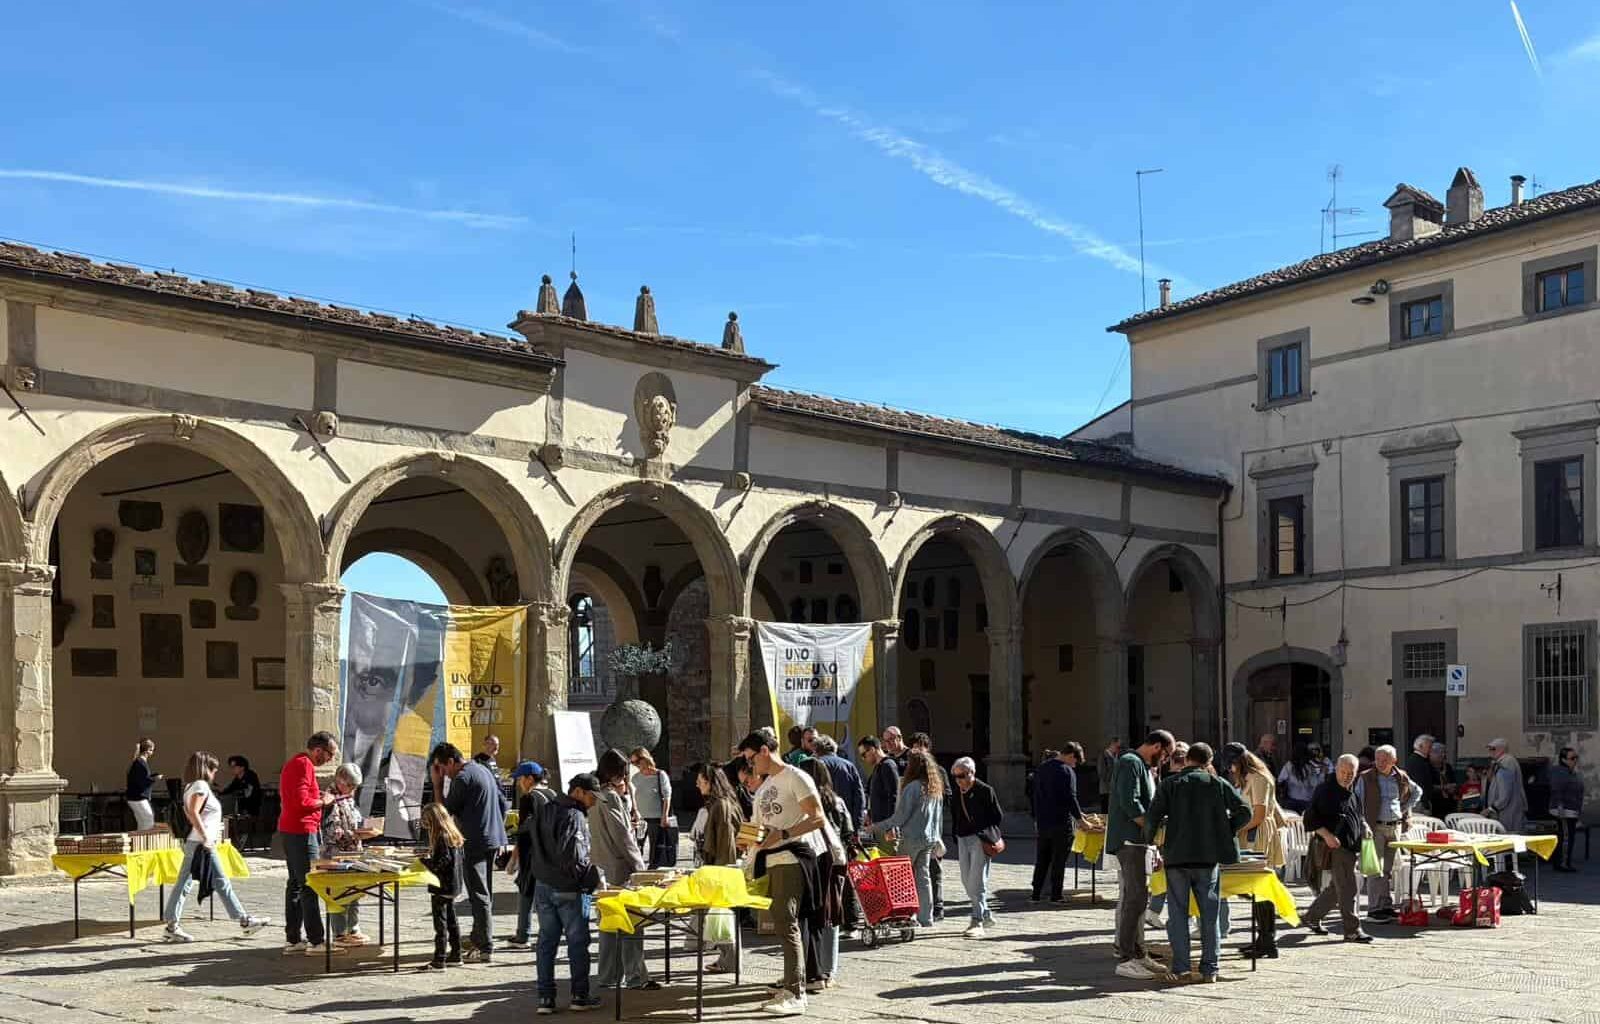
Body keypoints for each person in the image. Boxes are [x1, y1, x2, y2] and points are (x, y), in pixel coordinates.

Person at [738, 729, 828, 1016]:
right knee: (780, 921)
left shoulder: (795, 777)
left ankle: (795, 992)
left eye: (752, 758)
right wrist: (747, 839)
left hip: (792, 857)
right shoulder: (766, 786)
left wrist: (784, 833)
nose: (751, 764)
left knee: (787, 921)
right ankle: (791, 982)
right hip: (771, 859)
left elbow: (818, 818)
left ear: (765, 751)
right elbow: (759, 826)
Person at [1145, 742, 1252, 983]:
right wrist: (1226, 830)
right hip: (1207, 856)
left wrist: (1150, 842)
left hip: (1177, 856)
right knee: (1210, 915)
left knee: (1178, 914)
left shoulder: (1170, 784)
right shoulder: (1217, 783)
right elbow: (1245, 811)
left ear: (1187, 759)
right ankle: (1210, 969)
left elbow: (1152, 817)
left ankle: (1181, 967)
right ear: (1208, 762)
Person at [162, 751, 270, 942]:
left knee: (200, 883)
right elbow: (193, 812)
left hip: (195, 842)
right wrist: (206, 837)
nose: (215, 773)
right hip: (201, 844)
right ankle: (244, 921)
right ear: (206, 769)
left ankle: (243, 921)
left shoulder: (190, 787)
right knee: (211, 882)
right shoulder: (201, 786)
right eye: (214, 769)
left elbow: (189, 813)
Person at [527, 772, 604, 1012]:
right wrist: (592, 878)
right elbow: (575, 857)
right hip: (570, 888)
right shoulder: (574, 815)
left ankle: (545, 998)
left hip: (544, 883)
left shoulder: (546, 809)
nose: (594, 802)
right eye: (592, 796)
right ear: (578, 792)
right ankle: (579, 995)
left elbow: (532, 843)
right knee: (578, 943)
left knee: (546, 943)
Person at [430, 742, 509, 963]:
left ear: (451, 761)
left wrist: (437, 785)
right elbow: (503, 803)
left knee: (478, 894)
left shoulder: (462, 778)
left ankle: (485, 947)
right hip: (491, 837)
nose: (443, 774)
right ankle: (479, 936)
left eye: (442, 768)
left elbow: (443, 814)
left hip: (475, 842)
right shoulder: (481, 769)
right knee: (485, 892)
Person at [1107, 729, 1175, 980]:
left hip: (1139, 841)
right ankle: (1126, 957)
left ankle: (1138, 953)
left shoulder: (1142, 766)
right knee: (1134, 898)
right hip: (1130, 841)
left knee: (1139, 898)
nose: (1165, 760)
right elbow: (1131, 802)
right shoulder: (1130, 762)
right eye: (1166, 754)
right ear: (1156, 747)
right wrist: (1151, 829)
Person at [591, 750, 652, 992]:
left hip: (601, 868)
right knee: (632, 923)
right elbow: (622, 836)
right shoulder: (610, 797)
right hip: (619, 870)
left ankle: (608, 976)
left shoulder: (594, 795)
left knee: (608, 925)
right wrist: (640, 867)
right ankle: (635, 976)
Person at [1300, 754, 1373, 943]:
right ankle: (1352, 930)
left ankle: (1312, 917)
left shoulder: (1353, 790)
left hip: (1351, 846)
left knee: (1337, 888)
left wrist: (1364, 827)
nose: (1347, 776)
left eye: (1351, 773)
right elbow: (1310, 818)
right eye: (1343, 772)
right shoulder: (1325, 790)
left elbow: (1358, 815)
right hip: (1336, 846)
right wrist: (1327, 835)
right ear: (1337, 769)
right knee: (1348, 888)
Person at [867, 750, 944, 929]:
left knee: (901, 877)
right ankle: (926, 917)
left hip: (910, 838)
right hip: (928, 839)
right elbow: (938, 818)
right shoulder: (934, 788)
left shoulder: (913, 787)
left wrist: (876, 827)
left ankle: (902, 914)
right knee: (923, 877)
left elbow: (899, 817)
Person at [278, 730, 339, 955]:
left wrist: (318, 795)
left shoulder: (296, 763)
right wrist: (324, 801)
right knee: (309, 884)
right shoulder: (303, 765)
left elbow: (299, 795)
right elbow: (302, 802)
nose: (330, 759)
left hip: (291, 829)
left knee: (295, 884)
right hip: (302, 830)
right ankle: (316, 940)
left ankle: (294, 939)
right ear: (318, 750)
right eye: (330, 754)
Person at [799, 757, 851, 988]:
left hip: (817, 860)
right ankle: (829, 969)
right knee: (833, 913)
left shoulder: (808, 802)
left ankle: (816, 967)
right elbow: (849, 829)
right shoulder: (837, 801)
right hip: (837, 860)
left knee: (816, 915)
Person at [1231, 750, 1287, 958]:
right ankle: (1263, 938)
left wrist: (1237, 828)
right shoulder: (1253, 778)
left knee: (1261, 887)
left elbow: (1259, 814)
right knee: (1257, 888)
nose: (1231, 770)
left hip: (1258, 834)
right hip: (1255, 832)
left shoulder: (1257, 778)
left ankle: (1267, 940)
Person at [1356, 745, 1421, 922]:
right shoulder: (1366, 777)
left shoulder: (1400, 776)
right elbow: (1357, 802)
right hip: (1374, 827)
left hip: (1395, 827)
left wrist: (1403, 809)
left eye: (1385, 760)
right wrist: (1363, 824)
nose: (1380, 763)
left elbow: (1417, 791)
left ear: (1394, 761)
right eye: (1378, 759)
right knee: (1374, 870)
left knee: (1387, 870)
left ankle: (1385, 906)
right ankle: (1374, 909)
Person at [695, 763, 744, 971]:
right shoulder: (722, 803)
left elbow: (726, 842)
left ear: (710, 782)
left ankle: (730, 959)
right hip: (722, 865)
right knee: (723, 915)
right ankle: (728, 958)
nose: (697, 785)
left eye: (701, 781)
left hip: (722, 867)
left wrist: (720, 871)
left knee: (722, 914)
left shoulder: (721, 805)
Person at [322, 762, 376, 946]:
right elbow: (332, 832)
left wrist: (366, 828)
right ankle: (339, 933)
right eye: (350, 785)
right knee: (339, 893)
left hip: (353, 851)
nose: (353, 789)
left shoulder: (347, 796)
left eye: (355, 786)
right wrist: (355, 834)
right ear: (340, 780)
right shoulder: (329, 799)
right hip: (336, 854)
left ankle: (353, 928)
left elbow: (354, 819)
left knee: (355, 890)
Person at [951, 756, 1003, 937]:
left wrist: (982, 831)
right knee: (966, 880)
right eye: (956, 776)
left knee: (977, 881)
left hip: (980, 840)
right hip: (962, 838)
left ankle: (977, 920)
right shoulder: (957, 792)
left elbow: (997, 816)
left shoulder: (985, 790)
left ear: (972, 773)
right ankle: (986, 913)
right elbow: (955, 814)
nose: (958, 780)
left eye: (962, 776)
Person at [1030, 742, 1086, 904]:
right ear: (1071, 756)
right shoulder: (1066, 771)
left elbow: (1036, 796)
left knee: (1042, 859)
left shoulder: (1042, 768)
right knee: (1058, 860)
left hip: (1043, 821)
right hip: (1061, 822)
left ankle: (1036, 894)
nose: (1075, 765)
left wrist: (1036, 818)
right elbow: (1070, 798)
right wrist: (1080, 819)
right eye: (1075, 761)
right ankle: (1056, 895)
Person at [507, 760, 554, 949]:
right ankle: (547, 935)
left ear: (529, 779)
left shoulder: (529, 798)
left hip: (531, 854)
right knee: (546, 896)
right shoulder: (552, 794)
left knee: (526, 892)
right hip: (550, 852)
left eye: (520, 779)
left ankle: (523, 935)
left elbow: (524, 832)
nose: (519, 783)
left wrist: (514, 859)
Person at [906, 732, 949, 921]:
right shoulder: (910, 771)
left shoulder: (939, 771)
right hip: (915, 830)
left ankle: (937, 906)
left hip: (932, 828)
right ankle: (918, 909)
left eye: (920, 746)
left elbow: (947, 795)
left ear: (927, 748)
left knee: (934, 868)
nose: (917, 749)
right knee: (918, 871)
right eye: (914, 746)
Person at [419, 802, 465, 970]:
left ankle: (439, 959)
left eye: (426, 820)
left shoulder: (441, 837)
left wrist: (424, 861)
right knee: (452, 921)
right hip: (453, 885)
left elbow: (441, 862)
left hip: (442, 886)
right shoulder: (452, 834)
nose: (425, 824)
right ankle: (456, 954)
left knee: (441, 925)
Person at [630, 748, 677, 869]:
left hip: (656, 818)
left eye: (636, 762)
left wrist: (664, 816)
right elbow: (630, 796)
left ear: (644, 759)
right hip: (640, 819)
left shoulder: (660, 775)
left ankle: (652, 871)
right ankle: (638, 870)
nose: (635, 765)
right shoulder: (635, 777)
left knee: (655, 849)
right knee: (636, 847)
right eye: (633, 763)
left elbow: (667, 796)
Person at [813, 734, 865, 832]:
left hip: (824, 822)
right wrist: (857, 825)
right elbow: (859, 796)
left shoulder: (815, 765)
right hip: (847, 822)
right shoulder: (849, 766)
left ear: (816, 750)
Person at [1550, 747, 1584, 873]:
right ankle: (1562, 864)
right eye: (1572, 758)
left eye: (1576, 757)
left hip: (1571, 811)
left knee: (1567, 837)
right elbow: (1557, 789)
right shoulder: (1560, 773)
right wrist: (1560, 806)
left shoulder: (1570, 772)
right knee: (1566, 838)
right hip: (1564, 811)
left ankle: (1562, 862)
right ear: (1564, 760)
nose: (1575, 760)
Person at [1483, 738, 1527, 833]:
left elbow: (1504, 794)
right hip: (1504, 810)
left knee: (1509, 837)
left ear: (1502, 749)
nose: (1490, 751)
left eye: (1493, 749)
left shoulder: (1507, 763)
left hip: (1508, 811)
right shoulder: (1501, 762)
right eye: (1489, 749)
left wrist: (1492, 808)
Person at [857, 736, 900, 829]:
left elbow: (893, 796)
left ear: (872, 749)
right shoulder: (878, 767)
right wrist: (870, 814)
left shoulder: (887, 765)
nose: (863, 759)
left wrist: (890, 826)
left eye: (864, 754)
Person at [1277, 742, 1324, 814]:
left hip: (1291, 800)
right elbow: (1315, 784)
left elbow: (1280, 780)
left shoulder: (1288, 765)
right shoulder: (1310, 767)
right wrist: (1322, 774)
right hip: (1306, 801)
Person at [126, 738, 162, 830]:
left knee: (142, 822)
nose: (152, 753)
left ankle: (140, 838)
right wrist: (155, 778)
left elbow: (141, 778)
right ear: (147, 750)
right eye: (152, 750)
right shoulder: (140, 763)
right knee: (149, 820)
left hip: (134, 797)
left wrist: (152, 777)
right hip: (138, 797)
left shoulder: (138, 762)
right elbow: (142, 781)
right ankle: (145, 839)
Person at [1404, 735, 1439, 815]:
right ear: (1420, 746)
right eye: (1429, 747)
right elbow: (1419, 784)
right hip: (1419, 802)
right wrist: (1426, 804)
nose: (1431, 749)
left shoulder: (1421, 760)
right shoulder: (1417, 761)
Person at [1098, 739, 1122, 812]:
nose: (1118, 749)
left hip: (1115, 789)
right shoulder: (1103, 755)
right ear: (1112, 744)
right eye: (1117, 747)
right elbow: (1101, 772)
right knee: (1105, 809)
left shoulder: (1116, 756)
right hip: (1106, 789)